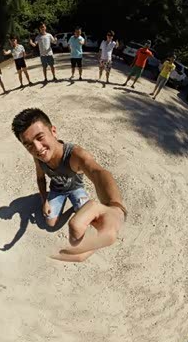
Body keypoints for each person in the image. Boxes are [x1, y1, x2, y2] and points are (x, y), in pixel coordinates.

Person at [11, 107, 127, 262]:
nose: (38, 149)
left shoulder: (74, 155)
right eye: (29, 145)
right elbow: (40, 178)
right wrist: (44, 200)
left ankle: (76, 205)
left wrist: (116, 208)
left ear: (53, 131)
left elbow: (98, 173)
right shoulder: (38, 157)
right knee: (50, 222)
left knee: (92, 222)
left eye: (40, 137)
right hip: (57, 190)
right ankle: (74, 206)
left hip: (75, 189)